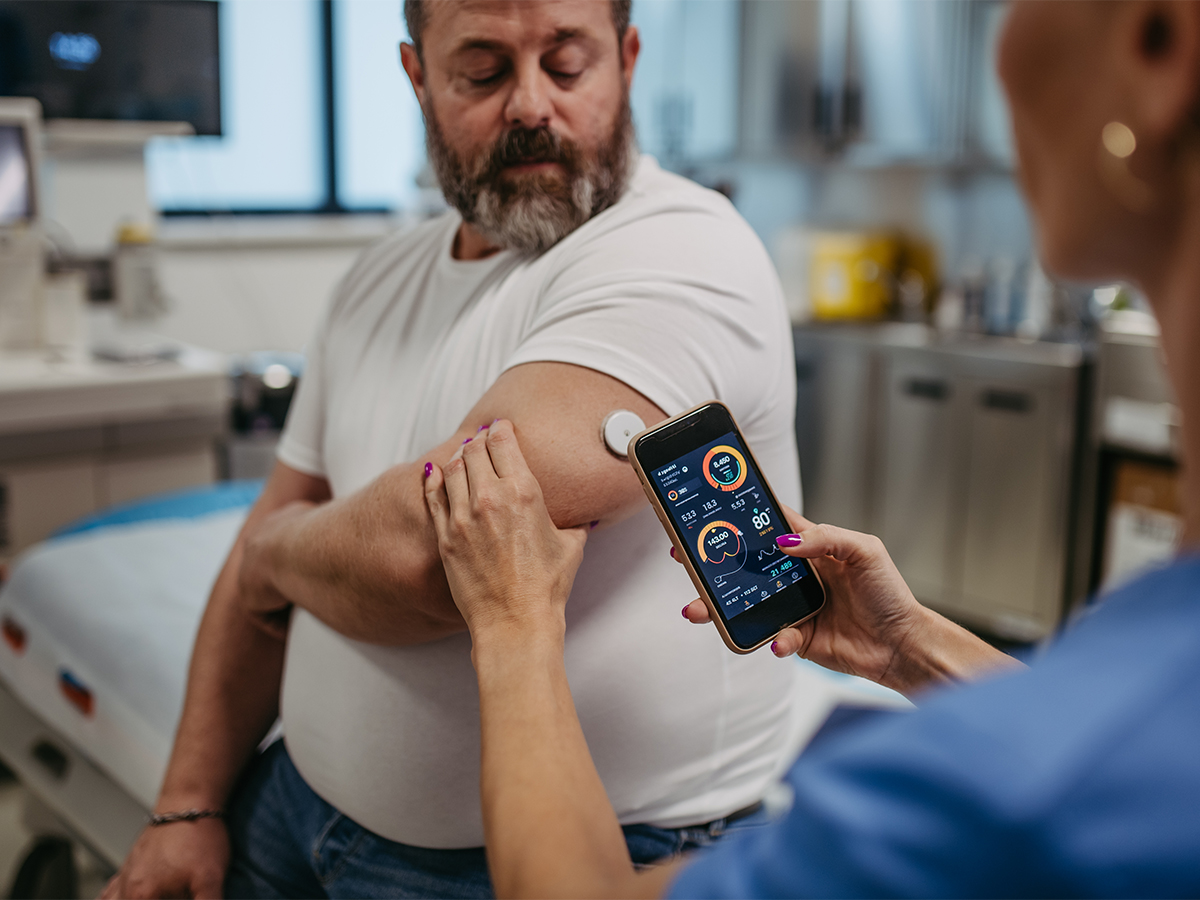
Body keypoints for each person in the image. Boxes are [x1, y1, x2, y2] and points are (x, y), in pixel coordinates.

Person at [420, 1, 1200, 896]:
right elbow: (1084, 730)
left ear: (1159, 39)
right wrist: (912, 649)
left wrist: (514, 628)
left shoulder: (983, 799)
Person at [105, 2, 810, 898]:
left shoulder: (682, 249)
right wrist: (188, 804)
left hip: (580, 859)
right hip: (294, 804)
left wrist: (270, 555)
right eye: (482, 72)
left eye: (567, 65)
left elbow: (439, 558)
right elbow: (280, 522)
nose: (529, 105)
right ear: (417, 79)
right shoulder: (376, 279)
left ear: (628, 60)